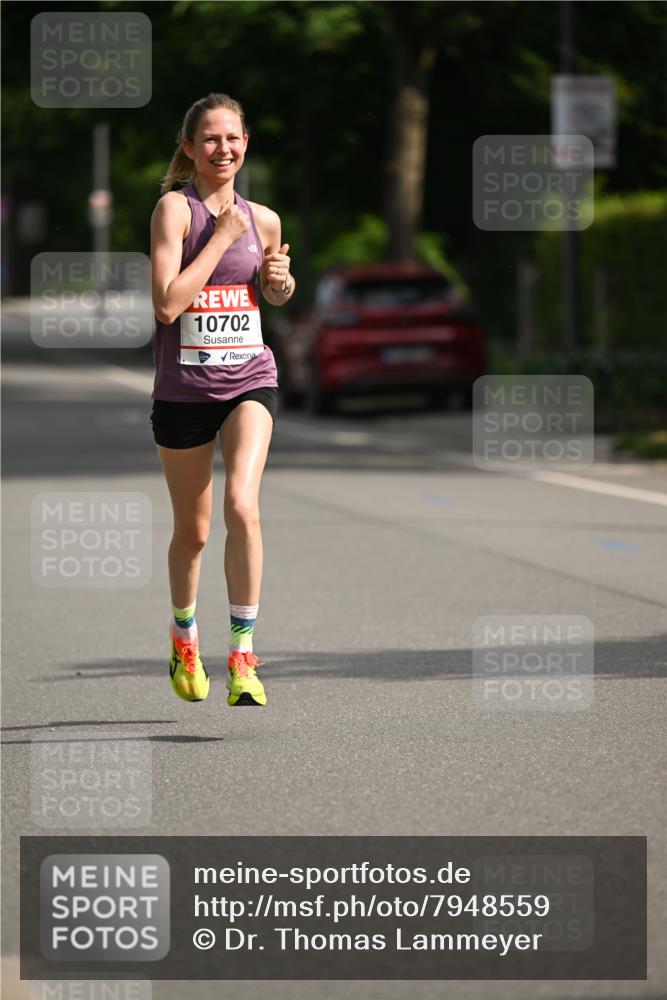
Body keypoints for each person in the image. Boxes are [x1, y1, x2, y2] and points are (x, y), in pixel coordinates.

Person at [149, 93, 295, 707]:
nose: (223, 148)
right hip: (183, 392)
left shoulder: (265, 220)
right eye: (210, 139)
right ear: (189, 148)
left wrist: (281, 285)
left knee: (243, 504)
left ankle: (242, 654)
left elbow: (270, 295)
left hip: (248, 380)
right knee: (196, 531)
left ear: (246, 143)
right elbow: (167, 303)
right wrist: (221, 236)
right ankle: (185, 635)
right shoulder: (173, 212)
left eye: (233, 137)